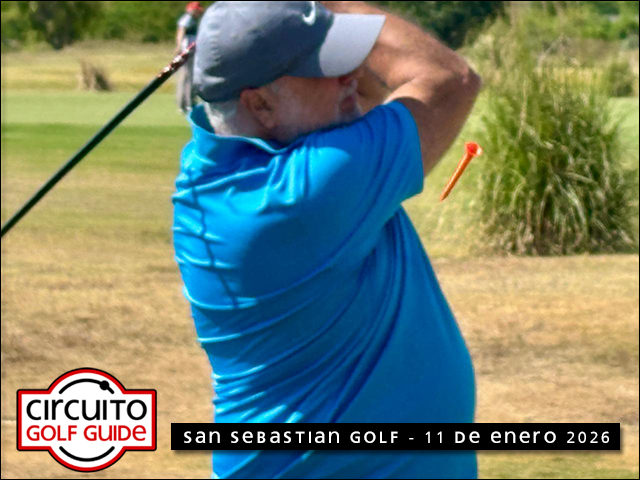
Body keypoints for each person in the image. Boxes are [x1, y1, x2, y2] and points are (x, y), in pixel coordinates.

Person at [172, 1, 481, 478]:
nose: (350, 78)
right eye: (325, 69)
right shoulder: (309, 190)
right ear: (260, 104)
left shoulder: (211, 171)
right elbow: (449, 79)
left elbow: (371, 90)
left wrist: (297, 20)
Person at [175, 1, 203, 114]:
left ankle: (186, 102)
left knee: (188, 77)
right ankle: (187, 103)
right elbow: (181, 31)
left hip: (191, 50)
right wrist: (179, 47)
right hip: (187, 51)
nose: (198, 13)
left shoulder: (192, 19)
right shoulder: (188, 18)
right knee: (188, 77)